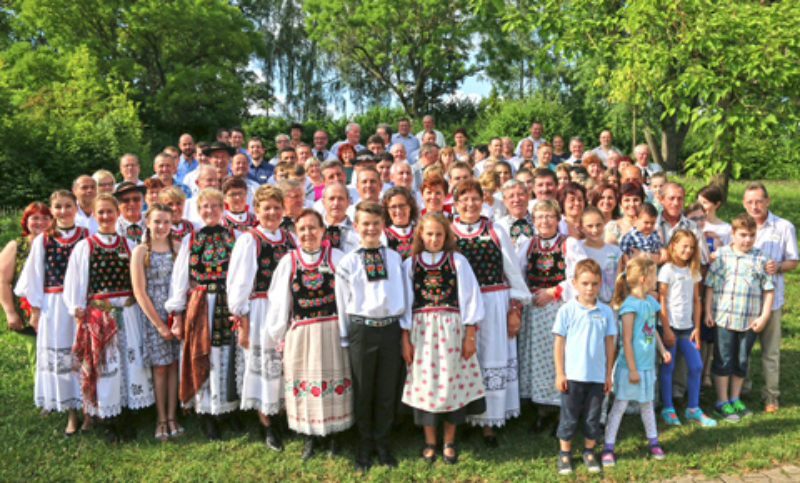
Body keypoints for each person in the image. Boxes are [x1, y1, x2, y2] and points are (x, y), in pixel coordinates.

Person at [64, 193, 154, 443]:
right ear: (94, 214)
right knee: (106, 366)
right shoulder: (86, 246)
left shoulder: (129, 245)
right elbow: (76, 281)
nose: (105, 217)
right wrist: (77, 308)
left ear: (118, 214)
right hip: (100, 314)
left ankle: (129, 413)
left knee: (131, 360)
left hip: (128, 311)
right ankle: (110, 419)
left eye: (110, 212)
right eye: (100, 212)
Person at [265, 209, 354, 460]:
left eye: (313, 227)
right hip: (302, 332)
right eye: (302, 229)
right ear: (295, 232)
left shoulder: (336, 257)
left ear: (323, 230)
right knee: (305, 383)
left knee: (334, 379)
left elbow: (349, 296)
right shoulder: (289, 261)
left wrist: (348, 330)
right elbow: (280, 300)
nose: (308, 233)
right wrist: (278, 333)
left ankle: (335, 436)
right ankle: (310, 437)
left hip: (333, 329)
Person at [401, 213, 486, 465]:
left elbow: (470, 299)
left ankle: (449, 440)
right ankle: (430, 441)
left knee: (452, 383)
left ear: (446, 236)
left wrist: (469, 335)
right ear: (420, 236)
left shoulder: (457, 261)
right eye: (429, 234)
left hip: (451, 330)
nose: (434, 239)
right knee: (426, 384)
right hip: (422, 332)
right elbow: (405, 306)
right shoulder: (411, 264)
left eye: (439, 234)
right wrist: (404, 339)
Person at [451, 180, 531, 445]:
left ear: (482, 201)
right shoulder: (448, 232)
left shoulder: (496, 229)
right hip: (461, 307)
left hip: (495, 302)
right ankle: (462, 418)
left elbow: (513, 273)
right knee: (465, 361)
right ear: (456, 203)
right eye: (464, 199)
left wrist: (514, 309)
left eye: (475, 198)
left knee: (491, 362)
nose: (470, 204)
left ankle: (489, 423)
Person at [335, 201, 407, 470]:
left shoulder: (395, 258)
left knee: (387, 388)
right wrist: (346, 337)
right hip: (361, 330)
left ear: (383, 226)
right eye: (365, 223)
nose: (371, 228)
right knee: (364, 388)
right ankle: (364, 441)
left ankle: (383, 440)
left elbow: (403, 296)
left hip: (389, 328)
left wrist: (403, 330)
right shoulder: (348, 262)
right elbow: (342, 302)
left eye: (376, 223)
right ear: (356, 227)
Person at [166, 188, 242, 440]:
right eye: (204, 207)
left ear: (223, 207)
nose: (210, 211)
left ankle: (229, 409)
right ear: (198, 211)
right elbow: (180, 278)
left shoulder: (237, 236)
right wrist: (177, 313)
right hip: (200, 304)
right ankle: (207, 413)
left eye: (214, 205)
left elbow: (242, 274)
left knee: (229, 354)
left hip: (227, 302)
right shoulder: (192, 239)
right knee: (203, 353)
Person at [227, 185, 296, 451]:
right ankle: (267, 424)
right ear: (256, 210)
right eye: (266, 207)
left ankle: (282, 416)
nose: (272, 212)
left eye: (277, 207)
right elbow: (239, 285)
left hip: (286, 309)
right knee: (263, 366)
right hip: (260, 309)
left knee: (282, 366)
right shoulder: (250, 239)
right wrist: (242, 324)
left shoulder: (290, 238)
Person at [14, 191, 86, 436]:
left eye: (68, 206)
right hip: (54, 304)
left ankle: (89, 408)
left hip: (81, 303)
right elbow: (34, 278)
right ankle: (71, 413)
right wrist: (34, 312)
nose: (64, 211)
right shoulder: (43, 240)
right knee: (63, 357)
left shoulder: (86, 236)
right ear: (52, 211)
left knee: (85, 354)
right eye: (58, 207)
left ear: (76, 208)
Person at [517, 199, 583, 426]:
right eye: (539, 217)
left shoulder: (569, 244)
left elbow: (580, 275)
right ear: (533, 221)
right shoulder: (528, 244)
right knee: (538, 359)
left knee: (560, 358)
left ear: (558, 219)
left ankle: (560, 409)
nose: (544, 221)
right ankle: (542, 409)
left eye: (549, 216)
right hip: (535, 311)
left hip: (559, 309)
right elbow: (518, 276)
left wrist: (554, 291)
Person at [705, 212, 775, 421]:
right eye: (743, 235)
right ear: (732, 234)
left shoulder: (761, 258)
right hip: (723, 318)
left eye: (751, 235)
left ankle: (735, 398)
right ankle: (722, 401)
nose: (747, 240)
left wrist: (763, 317)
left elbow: (768, 290)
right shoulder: (721, 255)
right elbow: (709, 286)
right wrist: (708, 312)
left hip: (749, 320)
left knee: (741, 360)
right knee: (723, 359)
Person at [602, 257, 671, 466]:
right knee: (620, 406)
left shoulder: (651, 302)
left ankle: (653, 441)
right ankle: (608, 446)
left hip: (648, 367)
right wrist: (632, 369)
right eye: (654, 277)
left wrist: (662, 349)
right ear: (643, 279)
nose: (656, 281)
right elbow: (627, 341)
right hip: (630, 368)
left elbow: (652, 329)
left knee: (647, 405)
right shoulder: (629, 307)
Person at [553, 259, 617, 475]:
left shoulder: (605, 312)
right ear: (574, 283)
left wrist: (608, 375)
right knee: (569, 417)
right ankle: (564, 454)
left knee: (592, 417)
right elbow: (559, 343)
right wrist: (560, 372)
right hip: (572, 376)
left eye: (595, 284)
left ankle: (589, 451)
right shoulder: (567, 310)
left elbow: (609, 344)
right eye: (585, 283)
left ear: (600, 284)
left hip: (597, 377)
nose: (590, 288)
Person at [741, 183, 797, 412]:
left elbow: (793, 261)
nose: (754, 207)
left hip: (772, 300)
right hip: (743, 301)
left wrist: (779, 266)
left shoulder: (783, 227)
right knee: (742, 351)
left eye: (758, 201)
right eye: (749, 202)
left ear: (768, 201)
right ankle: (741, 391)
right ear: (744, 203)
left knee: (770, 352)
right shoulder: (740, 226)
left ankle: (771, 396)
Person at [130, 203, 183, 441]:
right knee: (160, 367)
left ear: (172, 224)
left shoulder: (178, 248)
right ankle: (160, 417)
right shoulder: (140, 252)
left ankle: (173, 415)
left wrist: (177, 318)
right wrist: (159, 325)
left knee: (173, 365)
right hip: (153, 316)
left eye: (166, 222)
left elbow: (183, 285)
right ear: (148, 223)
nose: (161, 227)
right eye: (157, 222)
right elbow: (139, 291)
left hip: (175, 314)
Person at [657, 229, 716, 427]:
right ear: (673, 246)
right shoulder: (667, 270)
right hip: (671, 328)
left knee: (696, 366)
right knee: (669, 366)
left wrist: (696, 328)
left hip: (687, 328)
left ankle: (693, 409)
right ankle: (668, 408)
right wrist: (666, 329)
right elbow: (662, 301)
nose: (688, 250)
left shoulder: (694, 271)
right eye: (685, 246)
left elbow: (696, 301)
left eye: (692, 247)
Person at [1, 202, 51, 332]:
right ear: (26, 221)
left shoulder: (59, 244)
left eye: (45, 218)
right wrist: (10, 312)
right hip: (26, 313)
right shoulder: (16, 246)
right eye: (35, 218)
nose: (40, 222)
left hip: (55, 311)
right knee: (34, 351)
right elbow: (2, 281)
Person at [579, 207, 621, 305]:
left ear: (604, 224)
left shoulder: (615, 251)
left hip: (610, 305)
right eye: (590, 226)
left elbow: (619, 280)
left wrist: (613, 303)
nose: (595, 230)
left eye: (598, 225)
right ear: (581, 228)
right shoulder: (578, 249)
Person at [321, 182, 359, 253]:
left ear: (348, 202)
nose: (336, 203)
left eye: (340, 198)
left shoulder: (358, 232)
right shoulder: (313, 230)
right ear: (323, 202)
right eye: (331, 199)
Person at [496, 179, 535, 249]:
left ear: (528, 196)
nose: (516, 200)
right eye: (511, 196)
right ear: (504, 201)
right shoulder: (498, 227)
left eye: (520, 194)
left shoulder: (540, 222)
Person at [382, 186, 418, 260]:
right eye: (393, 207)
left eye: (402, 206)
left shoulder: (420, 231)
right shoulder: (383, 235)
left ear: (410, 206)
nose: (398, 211)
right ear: (387, 210)